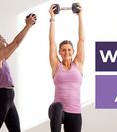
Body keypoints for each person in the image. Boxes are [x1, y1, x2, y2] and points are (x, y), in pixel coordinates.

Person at [0, 13, 37, 132]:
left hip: (8, 98)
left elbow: (16, 43)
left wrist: (29, 25)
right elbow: (16, 42)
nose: (6, 41)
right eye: (3, 40)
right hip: (2, 98)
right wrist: (28, 25)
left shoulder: (1, 59)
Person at [48, 3, 85, 132]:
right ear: (59, 52)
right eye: (63, 50)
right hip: (57, 112)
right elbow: (52, 42)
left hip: (74, 111)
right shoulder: (56, 65)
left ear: (73, 51)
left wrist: (79, 16)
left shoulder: (78, 64)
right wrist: (52, 19)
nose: (66, 52)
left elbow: (81, 40)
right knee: (57, 106)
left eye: (69, 50)